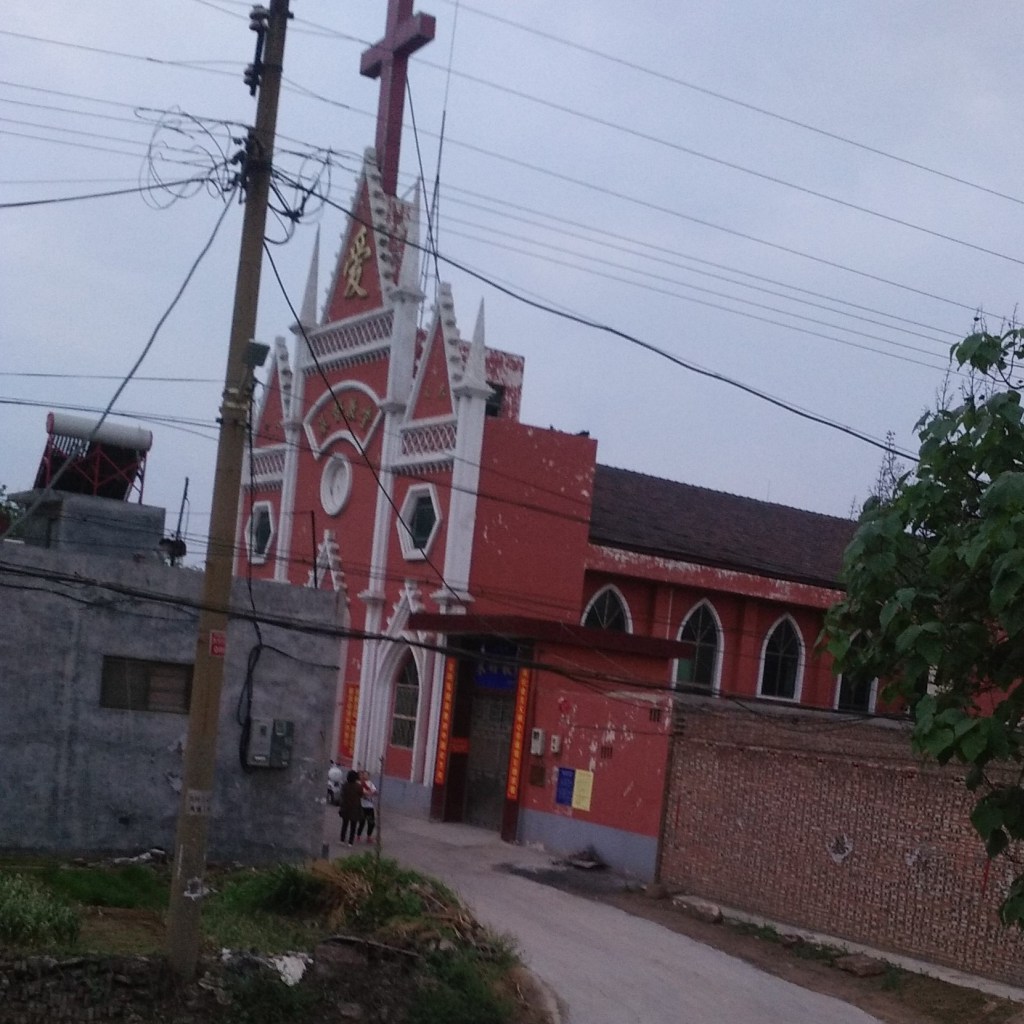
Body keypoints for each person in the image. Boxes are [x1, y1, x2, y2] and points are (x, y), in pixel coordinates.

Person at [338, 769, 363, 847]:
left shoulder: (345, 785)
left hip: (345, 807)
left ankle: (342, 839)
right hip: (355, 808)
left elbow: (342, 794)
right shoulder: (358, 786)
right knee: (353, 825)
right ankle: (350, 842)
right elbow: (361, 794)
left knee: (344, 824)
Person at [356, 770, 377, 843]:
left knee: (371, 822)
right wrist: (368, 793)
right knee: (362, 822)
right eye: (364, 775)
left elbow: (375, 792)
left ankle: (369, 836)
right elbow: (362, 793)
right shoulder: (360, 783)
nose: (365, 776)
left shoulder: (371, 784)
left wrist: (370, 793)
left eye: (366, 775)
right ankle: (358, 835)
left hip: (370, 806)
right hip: (363, 806)